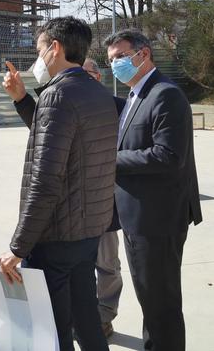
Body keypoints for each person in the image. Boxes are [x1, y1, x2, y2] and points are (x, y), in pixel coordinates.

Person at [0, 17, 118, 351]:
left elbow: (45, 182)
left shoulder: (58, 95)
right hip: (88, 232)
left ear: (55, 48)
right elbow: (62, 143)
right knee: (87, 321)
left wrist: (18, 247)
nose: (37, 59)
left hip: (56, 238)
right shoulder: (97, 92)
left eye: (39, 50)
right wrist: (22, 99)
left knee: (52, 330)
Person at [104, 29, 203, 351]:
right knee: (151, 300)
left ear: (143, 54)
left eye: (120, 57)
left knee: (161, 305)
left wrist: (108, 160)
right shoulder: (136, 95)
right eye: (111, 60)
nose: (115, 65)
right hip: (138, 218)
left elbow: (168, 155)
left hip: (157, 220)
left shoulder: (165, 94)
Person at [83, 58, 123, 338]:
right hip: (74, 205)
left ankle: (104, 316)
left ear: (98, 77)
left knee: (107, 264)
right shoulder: (66, 109)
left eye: (86, 74)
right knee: (76, 266)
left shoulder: (120, 108)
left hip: (106, 202)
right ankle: (82, 315)